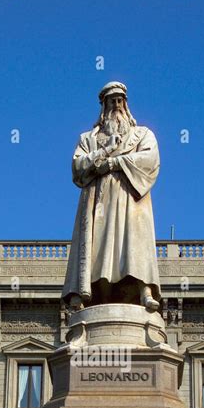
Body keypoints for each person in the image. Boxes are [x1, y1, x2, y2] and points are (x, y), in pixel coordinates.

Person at [62, 81, 161, 312]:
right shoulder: (88, 139)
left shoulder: (142, 135)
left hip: (131, 201)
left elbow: (150, 161)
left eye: (120, 100)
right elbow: (77, 167)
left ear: (126, 105)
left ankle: (145, 291)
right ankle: (97, 297)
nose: (116, 105)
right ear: (103, 106)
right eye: (111, 100)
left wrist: (115, 162)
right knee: (99, 250)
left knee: (134, 244)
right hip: (99, 202)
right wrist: (105, 151)